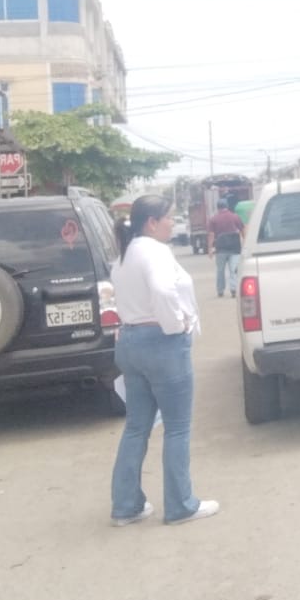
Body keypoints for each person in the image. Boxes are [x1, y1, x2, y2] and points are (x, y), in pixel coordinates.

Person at [109, 193, 219, 527]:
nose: (173, 223)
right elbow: (163, 290)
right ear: (152, 222)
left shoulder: (125, 253)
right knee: (177, 428)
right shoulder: (155, 251)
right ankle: (180, 505)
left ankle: (126, 506)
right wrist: (177, 325)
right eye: (169, 217)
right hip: (161, 342)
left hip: (130, 342)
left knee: (136, 427)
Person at [206, 197, 245, 298]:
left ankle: (220, 291)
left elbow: (211, 235)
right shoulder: (235, 217)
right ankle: (234, 289)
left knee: (220, 270)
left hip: (220, 249)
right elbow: (242, 229)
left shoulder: (213, 219)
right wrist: (245, 242)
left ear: (218, 208)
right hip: (235, 248)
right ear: (227, 206)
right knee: (233, 269)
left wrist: (210, 249)